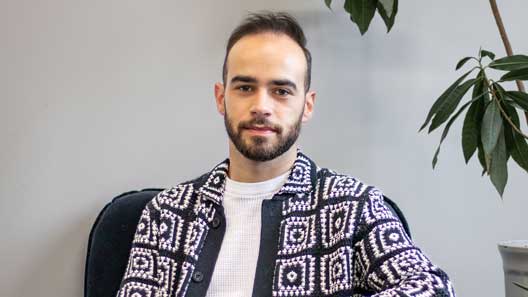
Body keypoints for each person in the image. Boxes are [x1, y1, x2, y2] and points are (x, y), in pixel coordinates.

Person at [116, 12, 456, 297]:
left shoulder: (353, 206)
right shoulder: (167, 215)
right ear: (221, 98)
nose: (261, 106)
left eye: (281, 91)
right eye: (245, 88)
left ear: (306, 106)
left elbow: (434, 288)